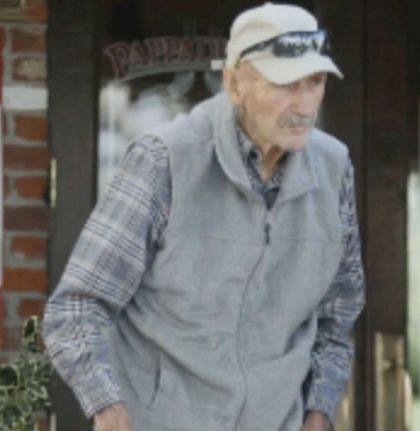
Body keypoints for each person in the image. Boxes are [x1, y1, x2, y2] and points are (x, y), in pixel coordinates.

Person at [43, 4, 365, 431]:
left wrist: (318, 414)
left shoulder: (334, 168)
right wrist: (110, 411)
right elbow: (75, 309)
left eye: (316, 82)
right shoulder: (163, 161)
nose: (305, 105)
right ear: (234, 83)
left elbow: (338, 319)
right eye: (286, 84)